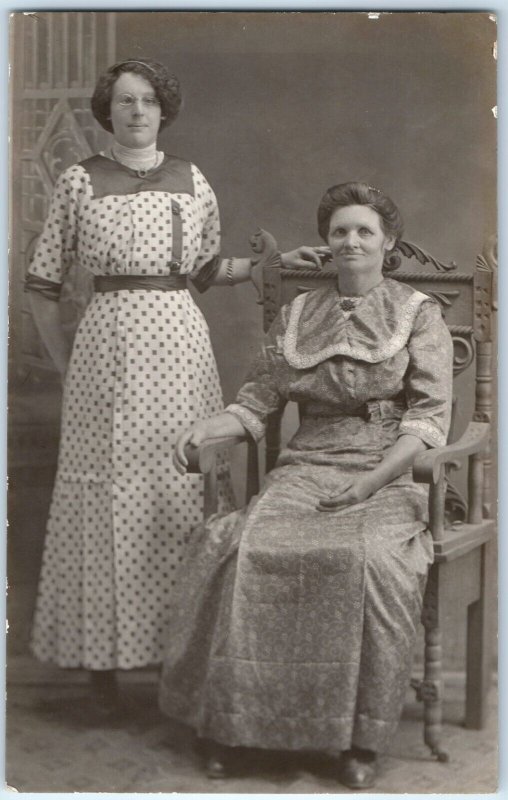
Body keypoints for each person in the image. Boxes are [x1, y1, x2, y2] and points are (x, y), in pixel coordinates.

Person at [25, 58, 325, 709]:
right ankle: (100, 662)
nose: (137, 112)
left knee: (182, 484)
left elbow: (207, 265)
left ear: (164, 111)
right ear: (109, 112)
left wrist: (271, 266)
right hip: (105, 353)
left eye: (148, 102)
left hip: (179, 346)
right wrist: (64, 359)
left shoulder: (192, 180)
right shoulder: (79, 182)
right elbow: (42, 284)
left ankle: (184, 656)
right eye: (125, 102)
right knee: (106, 494)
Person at [159, 181, 454, 789]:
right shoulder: (298, 315)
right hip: (307, 465)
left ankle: (357, 739)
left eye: (364, 231)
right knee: (243, 550)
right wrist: (201, 430)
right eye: (339, 230)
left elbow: (428, 423)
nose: (350, 241)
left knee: (369, 559)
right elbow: (254, 405)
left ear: (387, 242)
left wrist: (370, 482)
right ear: (327, 239)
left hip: (389, 473)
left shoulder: (418, 312)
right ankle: (238, 726)